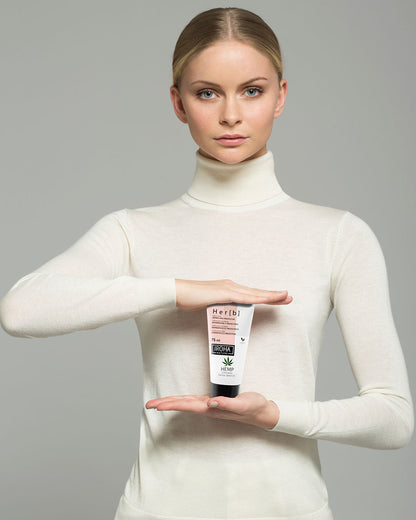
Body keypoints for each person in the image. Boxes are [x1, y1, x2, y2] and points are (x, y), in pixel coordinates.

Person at [0, 6, 413, 520]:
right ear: (179, 102)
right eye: (208, 93)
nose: (231, 115)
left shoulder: (339, 236)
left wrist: (275, 414)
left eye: (252, 90)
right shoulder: (133, 230)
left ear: (281, 96)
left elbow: (394, 418)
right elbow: (20, 310)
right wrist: (176, 289)